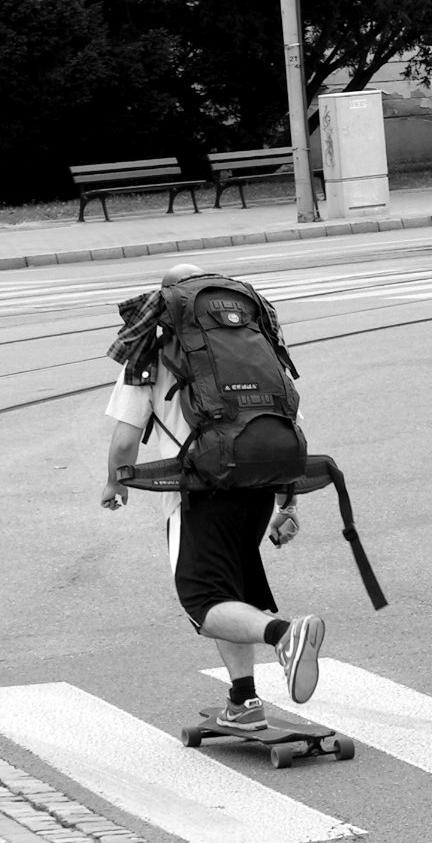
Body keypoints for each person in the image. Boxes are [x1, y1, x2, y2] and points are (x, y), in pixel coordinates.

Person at [100, 262, 325, 730]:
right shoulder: (251, 345)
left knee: (204, 604)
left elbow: (124, 440)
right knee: (232, 595)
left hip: (200, 491)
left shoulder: (152, 350)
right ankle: (244, 701)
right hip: (260, 482)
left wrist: (115, 482)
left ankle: (285, 635)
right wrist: (288, 503)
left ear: (164, 302)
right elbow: (284, 421)